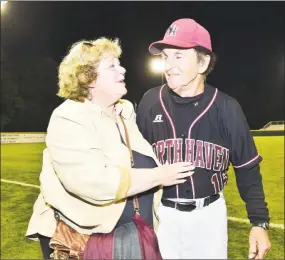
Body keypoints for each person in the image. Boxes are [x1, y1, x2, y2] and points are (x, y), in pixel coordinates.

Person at [25, 37, 195, 259]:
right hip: (85, 241)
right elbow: (93, 182)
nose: (123, 70)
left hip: (134, 236)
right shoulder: (68, 117)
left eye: (120, 63)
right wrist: (159, 175)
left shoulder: (125, 113)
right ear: (89, 78)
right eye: (112, 66)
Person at [136, 18, 271, 259]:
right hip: (162, 215)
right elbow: (134, 162)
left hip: (209, 217)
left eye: (178, 56)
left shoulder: (226, 107)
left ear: (203, 62)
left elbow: (247, 168)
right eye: (165, 57)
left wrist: (259, 222)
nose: (168, 65)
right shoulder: (149, 102)